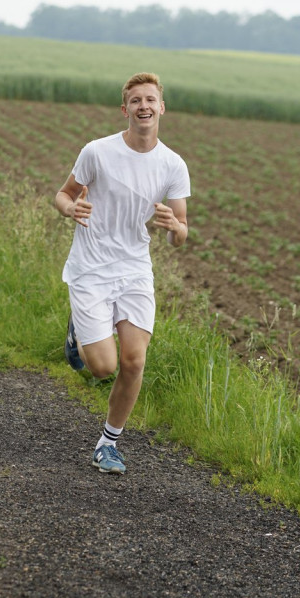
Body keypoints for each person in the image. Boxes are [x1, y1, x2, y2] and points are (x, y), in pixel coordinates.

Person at [54, 72, 190, 475]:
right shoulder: (97, 152)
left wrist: (173, 227)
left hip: (134, 269)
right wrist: (70, 209)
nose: (144, 107)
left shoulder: (173, 164)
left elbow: (182, 231)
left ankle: (107, 445)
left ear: (162, 107)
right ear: (125, 109)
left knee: (134, 361)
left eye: (151, 100)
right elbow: (63, 194)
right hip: (91, 268)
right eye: (136, 101)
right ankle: (79, 330)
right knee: (103, 368)